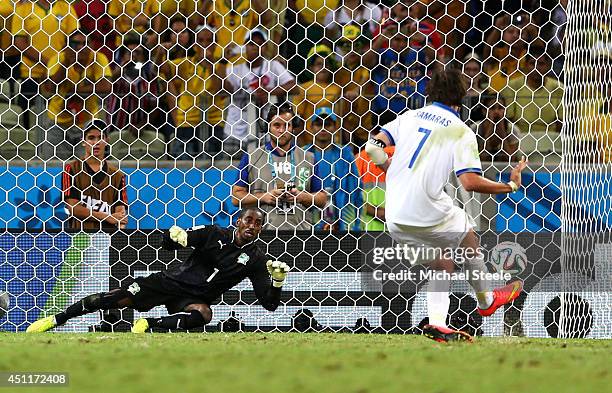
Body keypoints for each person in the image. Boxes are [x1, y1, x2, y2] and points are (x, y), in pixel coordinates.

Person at [365, 68, 527, 342]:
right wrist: (510, 186)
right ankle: (486, 300)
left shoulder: (408, 117)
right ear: (462, 96)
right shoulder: (460, 131)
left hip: (395, 215)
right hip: (427, 208)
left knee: (441, 265)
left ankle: (438, 323)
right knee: (467, 231)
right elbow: (470, 182)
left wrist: (388, 166)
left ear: (431, 92)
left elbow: (370, 148)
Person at [26, 208, 291, 333]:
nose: (252, 226)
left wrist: (277, 282)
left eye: (258, 224)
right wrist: (174, 237)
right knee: (114, 298)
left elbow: (268, 305)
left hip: (193, 299)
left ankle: (148, 325)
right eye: (248, 220)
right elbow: (169, 245)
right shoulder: (213, 232)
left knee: (205, 314)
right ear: (238, 221)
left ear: (260, 229)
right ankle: (56, 320)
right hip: (170, 282)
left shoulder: (256, 258)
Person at [232, 103, 328, 230]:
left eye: (286, 125)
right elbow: (235, 197)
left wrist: (301, 196)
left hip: (301, 236)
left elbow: (322, 199)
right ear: (268, 126)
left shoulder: (308, 158)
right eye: (277, 125)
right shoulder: (252, 157)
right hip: (263, 235)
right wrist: (265, 197)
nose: (282, 131)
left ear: (293, 127)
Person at [221, 28, 296, 157]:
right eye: (251, 44)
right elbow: (221, 89)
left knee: (265, 172)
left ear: (265, 47)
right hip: (235, 132)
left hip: (265, 133)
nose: (255, 47)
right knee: (231, 172)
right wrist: (223, 61)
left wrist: (269, 91)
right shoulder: (235, 69)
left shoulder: (273, 66)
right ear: (245, 47)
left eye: (260, 43)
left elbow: (294, 87)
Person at [41, 30, 112, 160]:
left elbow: (106, 86)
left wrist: (77, 92)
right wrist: (66, 62)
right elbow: (50, 88)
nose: (81, 47)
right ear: (68, 46)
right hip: (58, 121)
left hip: (87, 123)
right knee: (52, 168)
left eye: (85, 43)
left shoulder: (98, 58)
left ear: (91, 45)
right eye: (76, 44)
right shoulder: (58, 58)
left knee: (88, 169)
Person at [11, 0, 79, 130]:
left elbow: (75, 40)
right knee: (28, 124)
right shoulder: (23, 8)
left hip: (60, 78)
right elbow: (19, 42)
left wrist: (56, 66)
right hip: (31, 75)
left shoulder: (66, 8)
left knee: (59, 123)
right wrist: (49, 63)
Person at [62, 119, 128, 231]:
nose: (96, 142)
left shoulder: (117, 175)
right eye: (91, 138)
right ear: (83, 141)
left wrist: (119, 229)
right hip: (80, 237)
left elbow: (120, 215)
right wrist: (106, 216)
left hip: (107, 239)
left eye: (100, 138)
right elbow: (73, 208)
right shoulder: (71, 169)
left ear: (107, 140)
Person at [303, 107, 362, 231]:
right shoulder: (302, 154)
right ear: (311, 127)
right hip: (308, 221)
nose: (323, 128)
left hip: (341, 222)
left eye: (328, 124)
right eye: (319, 124)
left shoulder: (345, 154)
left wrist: (353, 225)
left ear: (335, 127)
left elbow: (355, 190)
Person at [501, 42, 563, 134]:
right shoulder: (512, 86)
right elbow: (508, 120)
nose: (536, 68)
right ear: (525, 65)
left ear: (548, 66)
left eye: (541, 64)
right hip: (520, 138)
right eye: (532, 63)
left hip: (549, 139)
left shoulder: (558, 88)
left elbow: (561, 122)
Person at [355, 145, 395, 231]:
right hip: (406, 232)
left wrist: (375, 211)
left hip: (368, 232)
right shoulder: (415, 157)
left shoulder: (361, 157)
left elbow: (350, 199)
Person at [473, 92, 522, 162]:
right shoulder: (475, 129)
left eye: (500, 108)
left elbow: (510, 160)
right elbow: (481, 159)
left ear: (505, 111)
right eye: (492, 108)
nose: (496, 111)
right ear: (484, 111)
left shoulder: (513, 130)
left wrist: (502, 131)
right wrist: (490, 129)